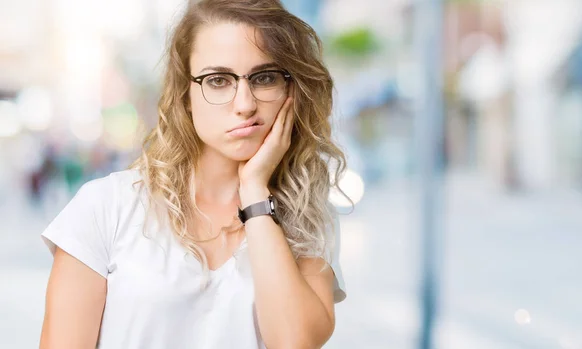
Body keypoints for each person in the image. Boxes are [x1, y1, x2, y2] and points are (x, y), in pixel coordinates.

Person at [39, 0, 350, 348]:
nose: (244, 104)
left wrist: (255, 193)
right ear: (185, 94)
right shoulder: (107, 207)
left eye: (265, 78)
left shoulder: (305, 216)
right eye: (218, 80)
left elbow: (294, 343)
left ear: (291, 90)